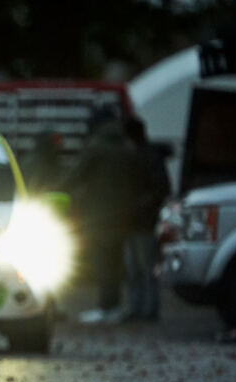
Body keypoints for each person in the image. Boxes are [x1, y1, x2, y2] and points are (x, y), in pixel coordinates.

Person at [64, 110, 146, 324]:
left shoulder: (96, 147)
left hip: (98, 216)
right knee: (116, 264)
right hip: (123, 216)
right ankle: (115, 308)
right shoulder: (127, 147)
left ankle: (105, 308)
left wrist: (54, 188)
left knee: (102, 264)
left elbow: (76, 176)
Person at [123, 117, 170, 321]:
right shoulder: (150, 155)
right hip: (142, 220)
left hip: (137, 220)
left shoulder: (139, 156)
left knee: (138, 269)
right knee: (143, 268)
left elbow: (158, 188)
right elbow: (161, 188)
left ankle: (142, 309)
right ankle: (146, 309)